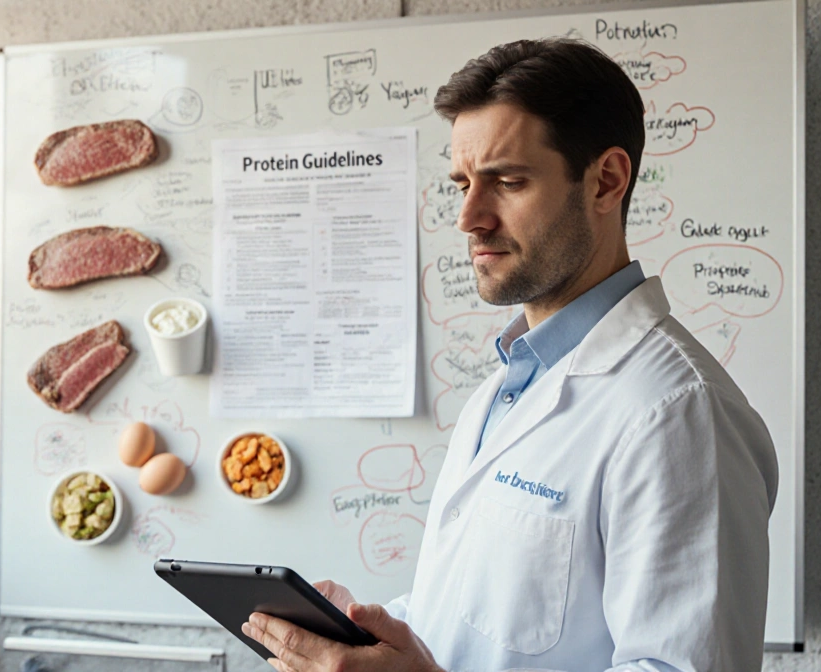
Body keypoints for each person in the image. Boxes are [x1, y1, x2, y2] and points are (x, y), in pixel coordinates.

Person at [241, 37, 779, 672]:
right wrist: (366, 634)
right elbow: (478, 620)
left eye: (508, 181)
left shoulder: (679, 413)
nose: (469, 217)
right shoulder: (507, 387)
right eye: (463, 184)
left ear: (606, 181)